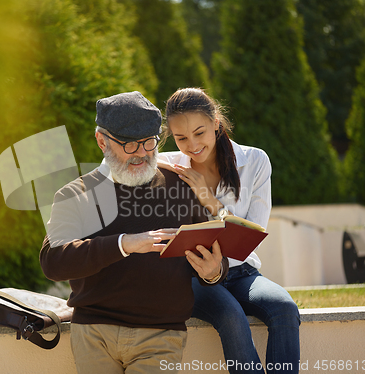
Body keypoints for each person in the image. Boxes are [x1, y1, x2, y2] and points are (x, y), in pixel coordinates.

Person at [39, 91, 229, 374]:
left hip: (161, 335)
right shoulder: (75, 194)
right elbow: (53, 261)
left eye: (149, 142)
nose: (141, 153)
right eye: (129, 144)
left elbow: (216, 258)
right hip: (94, 333)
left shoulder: (182, 187)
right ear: (102, 140)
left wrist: (213, 271)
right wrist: (123, 244)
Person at [158, 87, 300, 374]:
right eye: (181, 138)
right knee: (232, 316)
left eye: (200, 133)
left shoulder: (255, 161)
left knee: (284, 308)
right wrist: (151, 159)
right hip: (195, 279)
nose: (192, 145)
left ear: (216, 124)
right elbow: (112, 165)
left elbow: (252, 234)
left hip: (243, 273)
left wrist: (209, 201)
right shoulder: (171, 166)